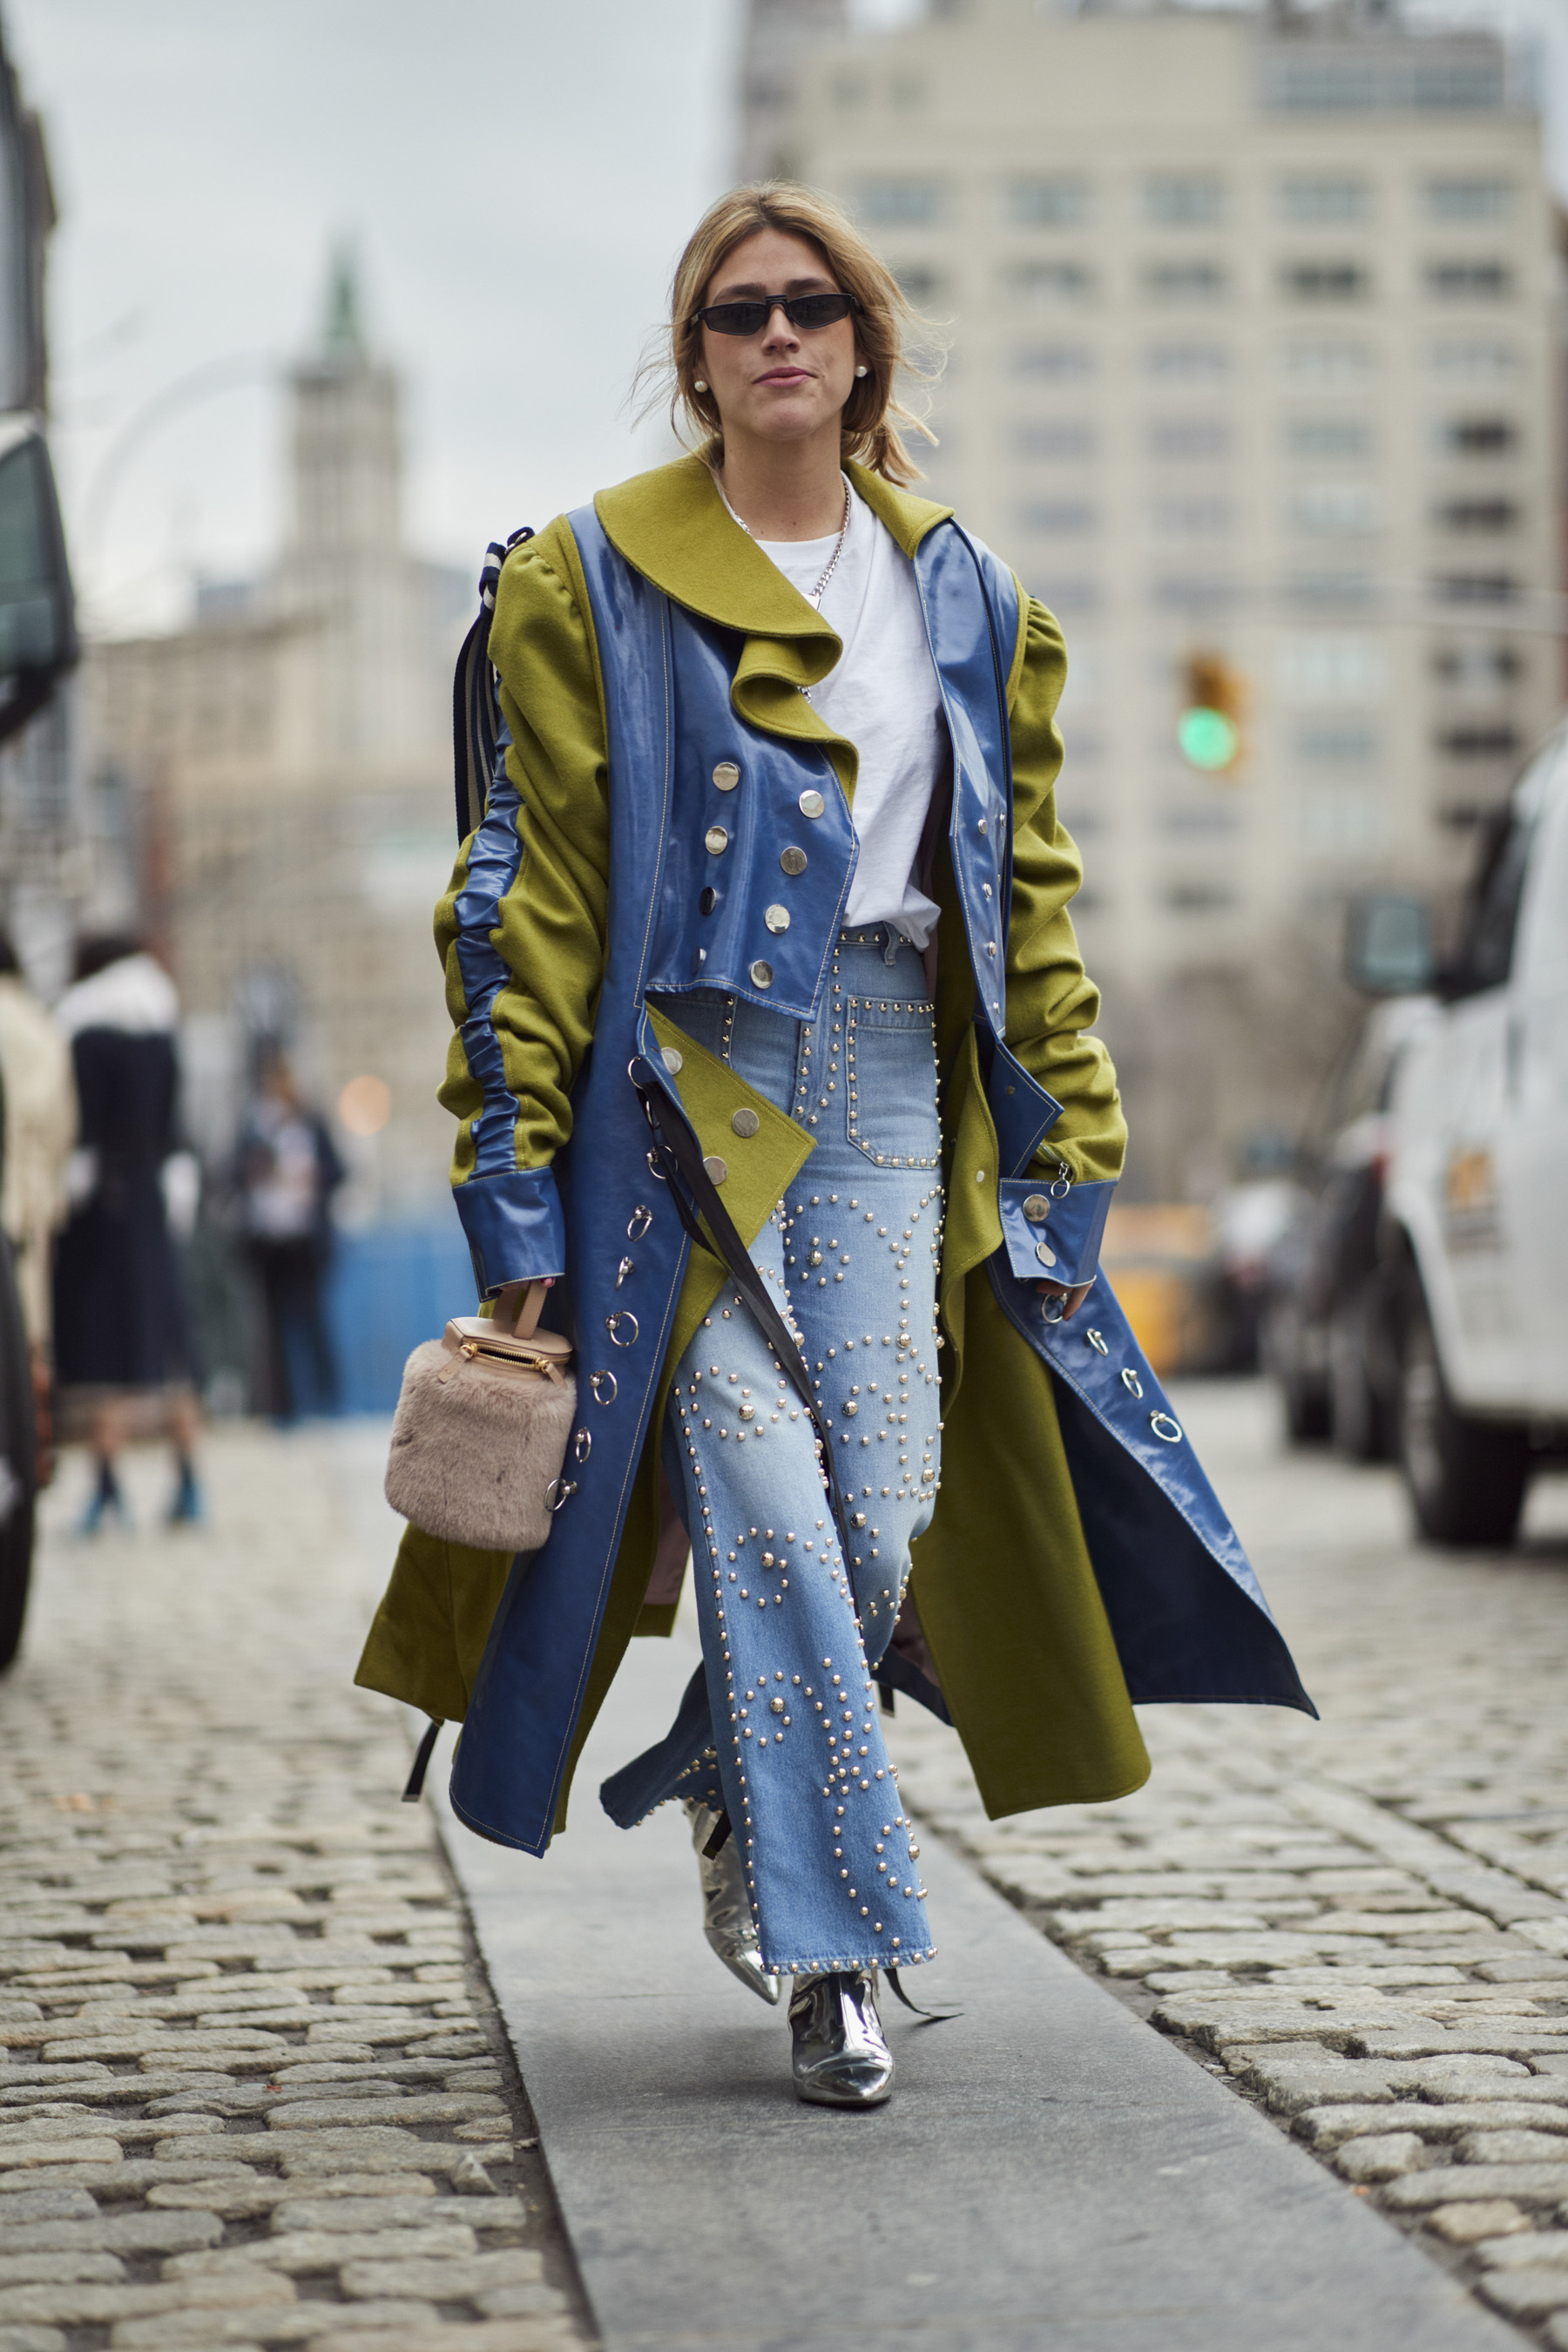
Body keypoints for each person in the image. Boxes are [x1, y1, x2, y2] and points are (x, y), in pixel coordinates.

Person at [357, 183, 1310, 2108]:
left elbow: (1023, 902)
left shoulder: (969, 595)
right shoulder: (584, 581)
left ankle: (743, 1798)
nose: (776, 332)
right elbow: (522, 901)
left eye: (812, 305)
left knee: (871, 1517)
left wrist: (1070, 1153)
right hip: (671, 1112)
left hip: (889, 1088)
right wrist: (511, 1179)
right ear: (695, 362)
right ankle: (837, 1953)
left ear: (865, 345)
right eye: (736, 311)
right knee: (770, 1506)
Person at [51, 934, 202, 1530]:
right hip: (154, 1202)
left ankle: (106, 1485)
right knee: (167, 1345)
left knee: (103, 1349)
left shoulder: (85, 1029)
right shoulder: (161, 1028)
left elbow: (82, 1130)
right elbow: (174, 1125)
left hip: (101, 1206)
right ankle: (190, 1478)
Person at [0, 933, 78, 1477]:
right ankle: (31, 1449)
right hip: (28, 1198)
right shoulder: (37, 1021)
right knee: (28, 1333)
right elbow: (62, 1127)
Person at [232, 1048, 343, 1423]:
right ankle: (284, 1408)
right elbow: (232, 1174)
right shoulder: (253, 1129)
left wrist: (312, 1180)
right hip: (268, 1242)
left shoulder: (311, 1125)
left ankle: (328, 1403)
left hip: (304, 1241)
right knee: (274, 1328)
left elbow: (337, 1171)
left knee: (313, 1321)